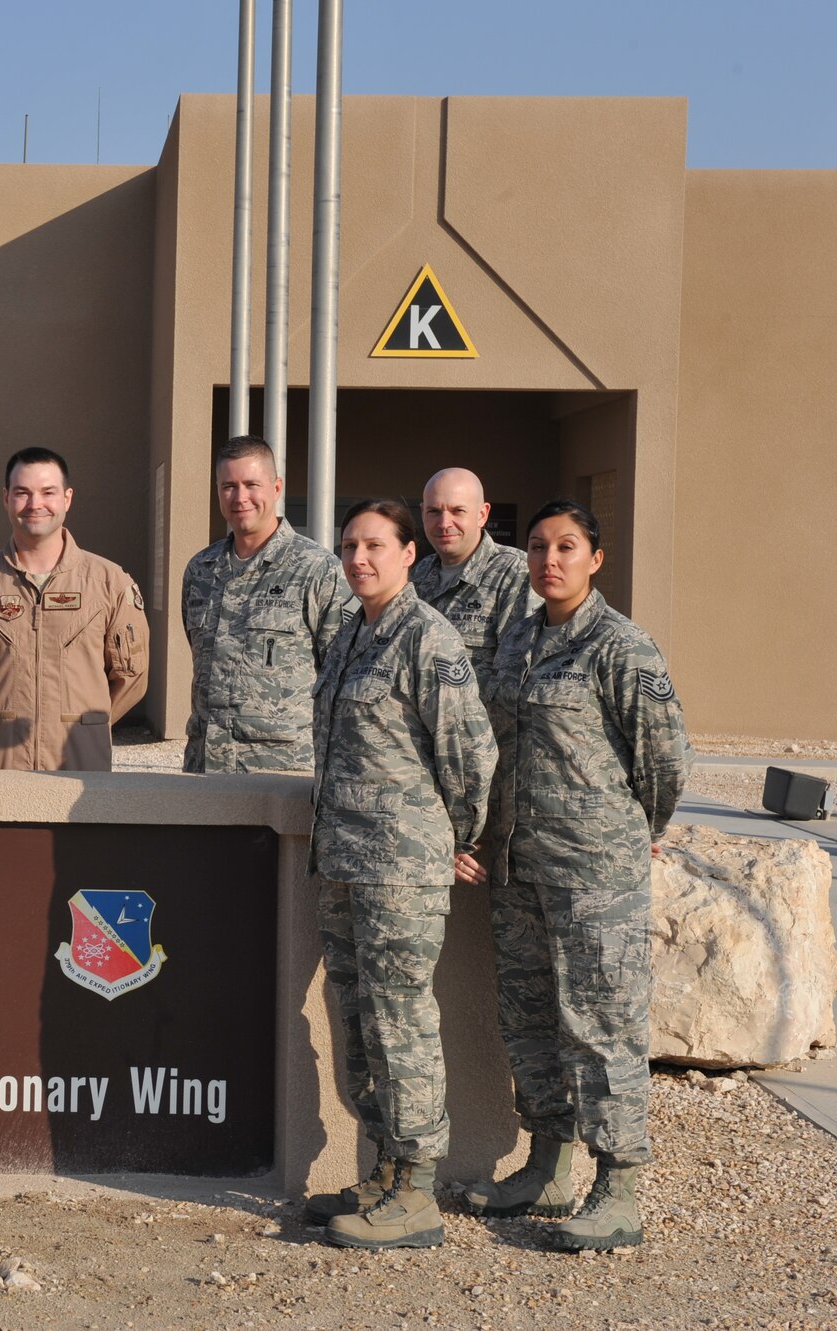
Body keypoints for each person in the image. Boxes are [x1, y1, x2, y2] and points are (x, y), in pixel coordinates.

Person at [459, 500, 692, 1253]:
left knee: (601, 1025)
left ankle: (618, 1185)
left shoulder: (623, 647)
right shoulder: (518, 638)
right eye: (537, 547)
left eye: (567, 547)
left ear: (596, 558)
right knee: (530, 1019)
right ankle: (548, 1165)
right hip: (520, 866)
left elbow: (664, 761)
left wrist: (631, 831)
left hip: (596, 874)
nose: (549, 559)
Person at [303, 499, 496, 1251]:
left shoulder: (427, 637)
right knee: (358, 1023)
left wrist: (460, 833)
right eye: (349, 545)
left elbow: (470, 754)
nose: (359, 558)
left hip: (399, 871)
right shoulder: (353, 632)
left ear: (408, 552)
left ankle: (417, 1189)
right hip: (345, 866)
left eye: (375, 545)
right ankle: (385, 1171)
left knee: (401, 1022)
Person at [0, 448, 148, 770]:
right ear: (6, 498)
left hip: (78, 770)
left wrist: (82, 726)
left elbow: (131, 676)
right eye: (22, 493)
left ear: (67, 499)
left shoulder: (109, 583)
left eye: (48, 492)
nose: (35, 505)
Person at [182, 436, 350, 773]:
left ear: (276, 488)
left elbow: (341, 677)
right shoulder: (201, 570)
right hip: (204, 769)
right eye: (228, 486)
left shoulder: (317, 569)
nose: (240, 497)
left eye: (251, 484)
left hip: (281, 773)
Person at [411, 467, 538, 676]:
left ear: (482, 514)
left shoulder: (515, 573)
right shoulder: (420, 573)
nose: (444, 523)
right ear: (423, 513)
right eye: (434, 511)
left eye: (457, 511)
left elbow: (517, 676)